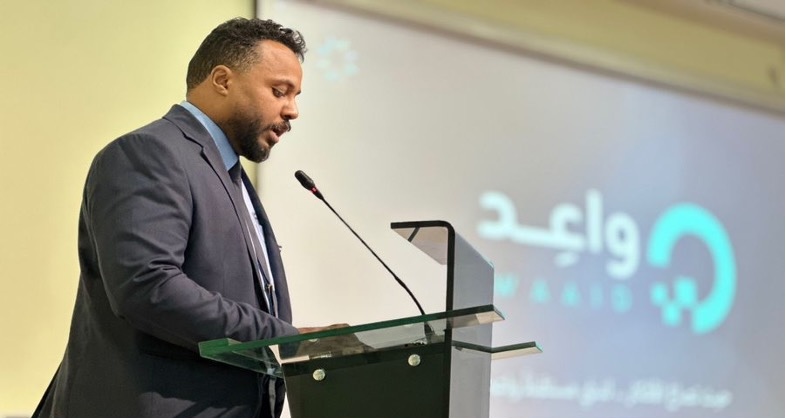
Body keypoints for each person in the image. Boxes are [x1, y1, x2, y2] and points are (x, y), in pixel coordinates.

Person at [33, 17, 337, 418]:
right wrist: (285, 337)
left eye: (295, 96)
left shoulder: (230, 174)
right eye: (279, 91)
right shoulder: (149, 153)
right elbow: (148, 286)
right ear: (222, 80)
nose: (292, 111)